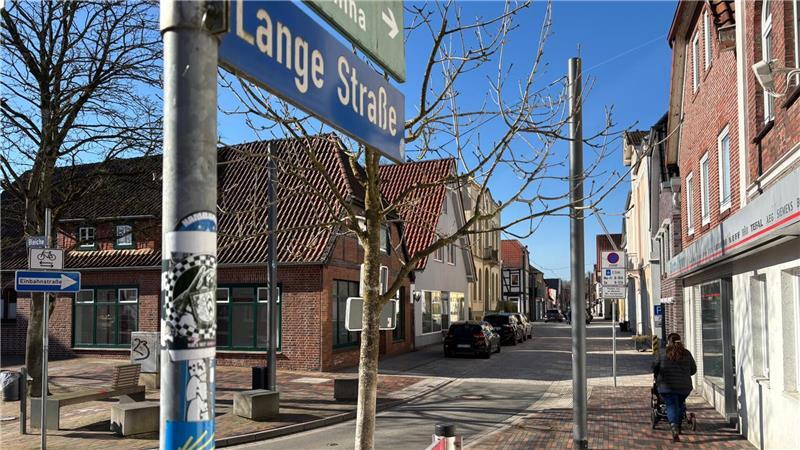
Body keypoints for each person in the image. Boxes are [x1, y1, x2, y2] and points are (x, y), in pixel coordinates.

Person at [653, 332, 697, 442]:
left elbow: (654, 368)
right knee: (680, 403)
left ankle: (674, 427)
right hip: (684, 387)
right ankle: (678, 424)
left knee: (671, 405)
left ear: (669, 342)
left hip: (666, 386)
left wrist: (656, 376)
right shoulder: (687, 353)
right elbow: (693, 370)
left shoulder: (662, 353)